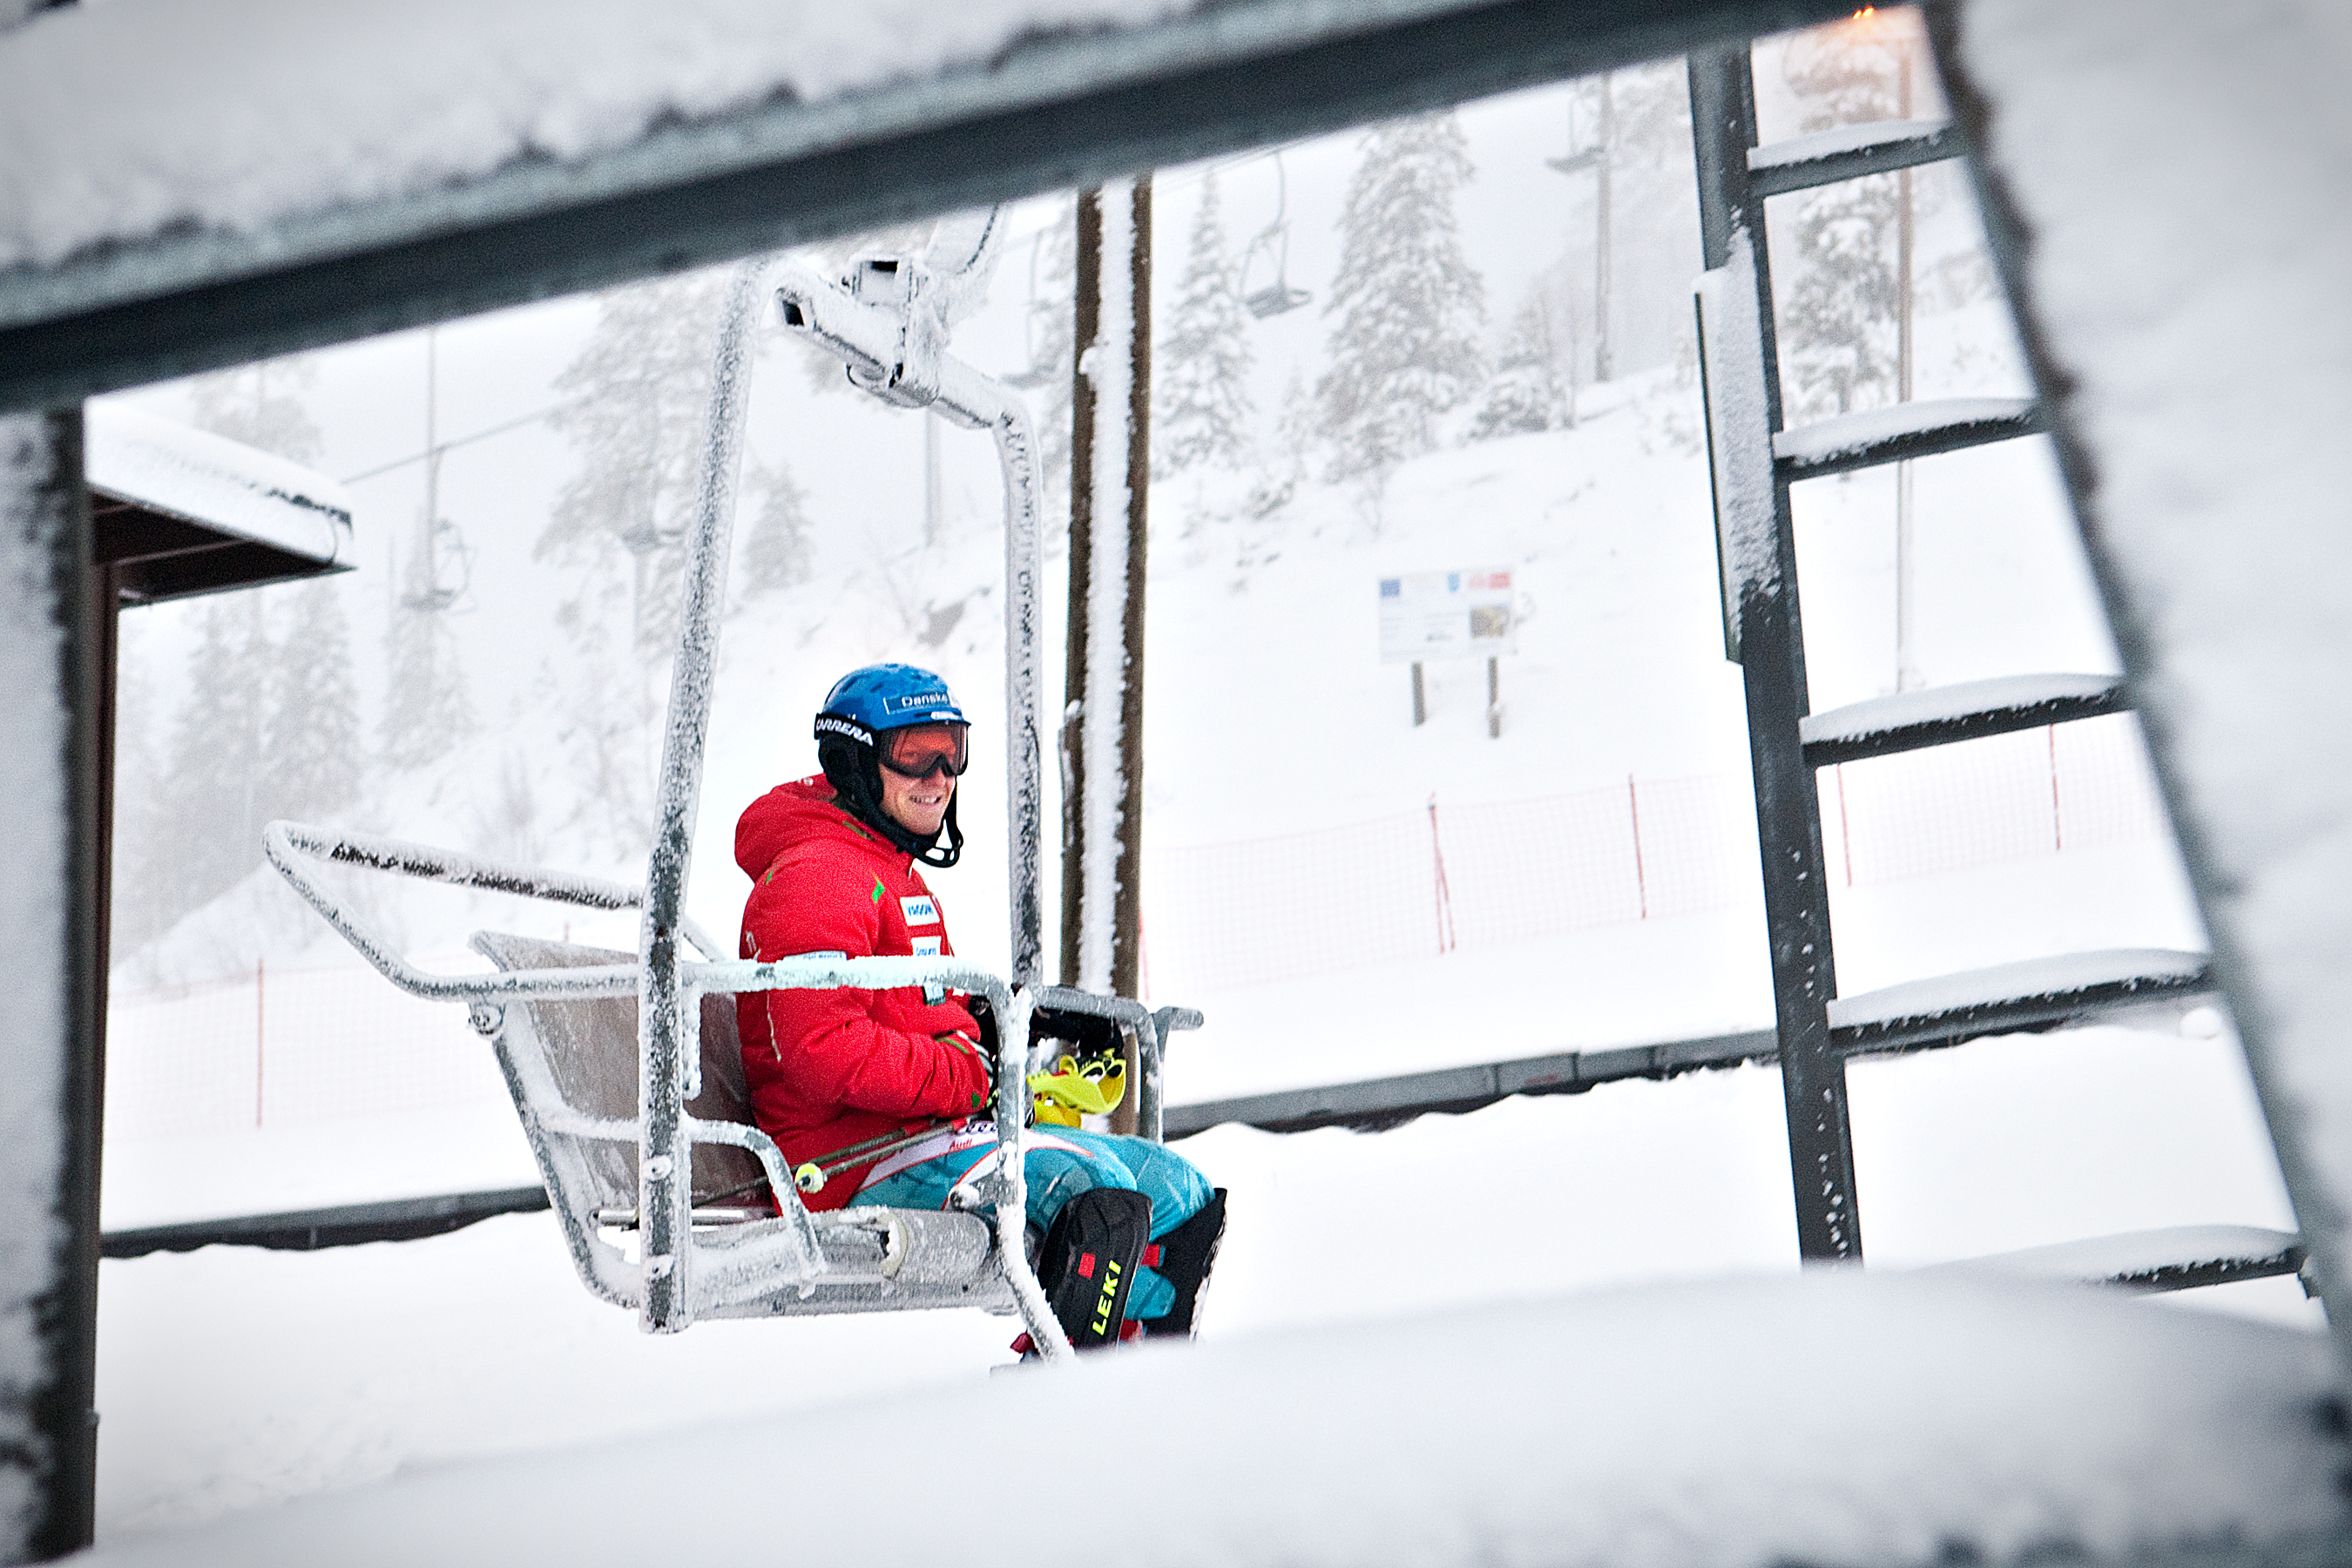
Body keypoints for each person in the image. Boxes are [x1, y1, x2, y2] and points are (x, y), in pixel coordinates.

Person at [735, 662, 1226, 1349]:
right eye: (913, 752)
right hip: (848, 1160)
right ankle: (1073, 1401)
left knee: (1179, 1191)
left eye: (952, 748)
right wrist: (972, 1078)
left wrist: (1011, 1019)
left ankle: (1149, 1375)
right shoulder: (817, 876)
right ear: (852, 759)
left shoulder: (886, 870)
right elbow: (822, 1047)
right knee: (1094, 1190)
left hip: (924, 1133)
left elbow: (916, 1004)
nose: (938, 775)